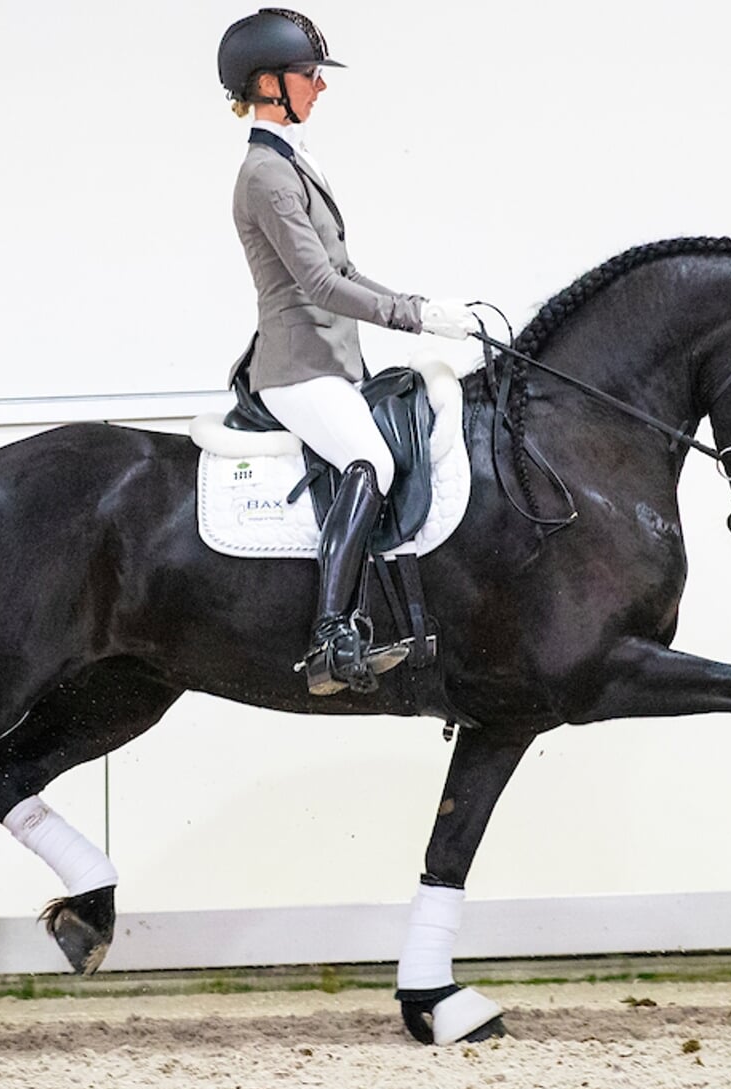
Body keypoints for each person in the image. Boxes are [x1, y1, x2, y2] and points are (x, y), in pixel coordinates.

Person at [219, 8, 479, 696]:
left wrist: (424, 308)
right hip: (296, 368)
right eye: (308, 76)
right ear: (267, 83)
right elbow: (318, 283)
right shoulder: (265, 176)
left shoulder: (292, 163)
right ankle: (331, 632)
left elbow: (346, 269)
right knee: (370, 459)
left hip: (333, 364)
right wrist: (416, 317)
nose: (318, 87)